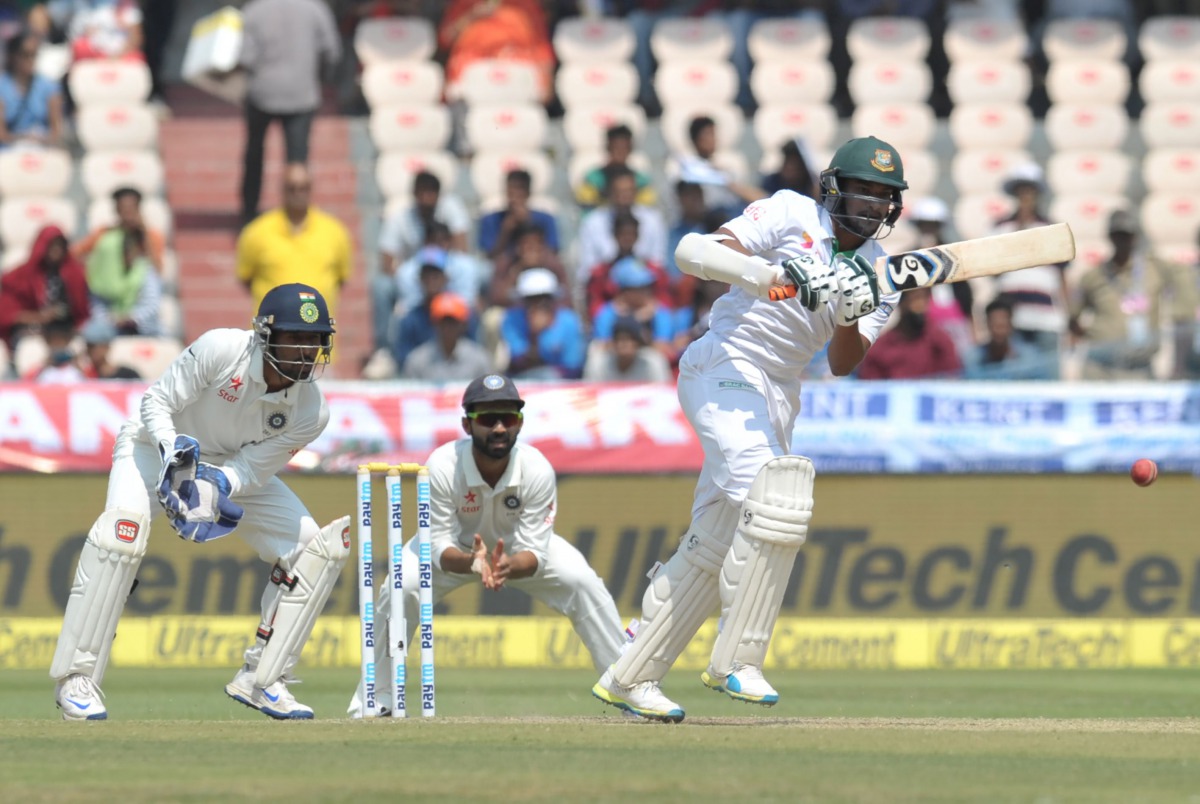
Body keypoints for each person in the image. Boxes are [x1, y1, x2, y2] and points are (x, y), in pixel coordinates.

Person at [592, 135, 906, 722]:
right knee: (775, 499)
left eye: (882, 195)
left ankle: (631, 673)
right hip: (726, 364)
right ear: (835, 189)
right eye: (862, 189)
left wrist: (849, 311)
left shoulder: (881, 275)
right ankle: (737, 659)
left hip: (781, 393)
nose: (871, 203)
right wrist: (774, 275)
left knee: (716, 538)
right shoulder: (791, 212)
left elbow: (843, 362)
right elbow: (692, 250)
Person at [51, 283, 347, 721]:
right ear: (265, 335)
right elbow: (156, 403)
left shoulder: (311, 411)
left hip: (228, 464)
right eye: (295, 337)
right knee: (120, 538)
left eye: (315, 340)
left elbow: (251, 469)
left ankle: (263, 678)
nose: (306, 351)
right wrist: (175, 454)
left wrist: (215, 482)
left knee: (311, 549)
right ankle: (77, 678)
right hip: (152, 447)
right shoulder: (221, 348)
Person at [348, 373, 624, 716]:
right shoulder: (442, 466)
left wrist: (508, 565)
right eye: (487, 418)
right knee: (400, 587)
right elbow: (436, 547)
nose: (499, 428)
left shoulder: (536, 468)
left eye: (508, 418)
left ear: (520, 422)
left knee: (582, 582)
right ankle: (377, 697)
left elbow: (537, 552)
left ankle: (627, 684)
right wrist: (473, 562)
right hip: (454, 553)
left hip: (518, 552)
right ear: (467, 424)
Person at [237, 0, 340, 225]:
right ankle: (296, 215)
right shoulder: (315, 8)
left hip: (262, 92)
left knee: (254, 153)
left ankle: (249, 211)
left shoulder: (254, 10)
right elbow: (331, 51)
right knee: (297, 160)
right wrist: (318, 78)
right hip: (301, 93)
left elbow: (245, 57)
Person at [1070, 209, 1198, 380]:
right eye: (1118, 235)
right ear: (1110, 237)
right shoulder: (1094, 276)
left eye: (1127, 236)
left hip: (1139, 366)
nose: (1122, 241)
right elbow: (1073, 315)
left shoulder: (1154, 269)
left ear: (1136, 237)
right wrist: (1095, 337)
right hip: (1100, 367)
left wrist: (1182, 312)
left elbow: (1184, 276)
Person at [237, 163, 352, 317]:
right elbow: (246, 277)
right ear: (282, 190)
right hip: (271, 327)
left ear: (311, 189)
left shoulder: (334, 231)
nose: (298, 193)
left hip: (319, 327)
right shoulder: (257, 232)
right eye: (292, 188)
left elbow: (341, 278)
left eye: (303, 188)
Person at [989, 163, 1067, 378]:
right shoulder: (1000, 227)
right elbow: (992, 271)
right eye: (1021, 190)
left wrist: (1067, 314)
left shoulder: (1051, 228)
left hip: (1046, 320)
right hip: (1013, 321)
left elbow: (1062, 275)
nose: (1026, 196)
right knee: (1015, 381)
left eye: (1030, 190)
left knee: (1048, 381)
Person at [438, 0, 555, 105]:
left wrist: (546, 84)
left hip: (516, 75)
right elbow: (445, 39)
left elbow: (542, 49)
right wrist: (472, 15)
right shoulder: (463, 3)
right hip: (471, 76)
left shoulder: (527, 5)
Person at [0, 224, 89, 353]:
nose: (56, 250)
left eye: (59, 246)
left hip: (68, 329)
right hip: (34, 330)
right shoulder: (23, 275)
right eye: (52, 246)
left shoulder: (74, 273)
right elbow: (8, 313)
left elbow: (83, 311)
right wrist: (40, 317)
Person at [574, 166, 667, 287]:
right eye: (619, 192)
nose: (624, 197)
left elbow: (658, 262)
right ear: (610, 192)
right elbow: (587, 268)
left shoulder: (653, 220)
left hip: (645, 286)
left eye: (628, 191)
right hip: (606, 287)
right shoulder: (592, 222)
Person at [671, 115, 764, 220]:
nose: (713, 139)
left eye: (714, 134)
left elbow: (755, 196)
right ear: (695, 139)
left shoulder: (725, 167)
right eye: (708, 134)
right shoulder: (688, 169)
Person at [857, 287, 962, 379]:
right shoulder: (881, 348)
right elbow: (870, 387)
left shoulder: (940, 341)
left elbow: (951, 380)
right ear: (900, 302)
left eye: (925, 297)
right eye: (915, 297)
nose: (920, 305)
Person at [501, 268, 585, 380]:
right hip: (522, 379)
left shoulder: (569, 321)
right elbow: (519, 361)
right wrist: (534, 335)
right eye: (531, 300)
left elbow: (573, 367)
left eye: (544, 299)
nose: (537, 305)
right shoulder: (512, 320)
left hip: (561, 382)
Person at [85, 226, 161, 336]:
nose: (130, 255)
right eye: (125, 251)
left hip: (143, 331)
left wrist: (130, 318)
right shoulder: (101, 276)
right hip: (110, 330)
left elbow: (151, 305)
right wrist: (111, 320)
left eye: (132, 250)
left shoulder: (145, 271)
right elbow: (97, 307)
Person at [401, 291, 492, 381]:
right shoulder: (418, 361)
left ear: (463, 325)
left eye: (452, 322)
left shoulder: (478, 360)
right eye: (442, 322)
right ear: (434, 324)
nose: (447, 327)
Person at [72, 186, 166, 269]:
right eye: (123, 208)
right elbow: (75, 253)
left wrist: (143, 233)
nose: (127, 215)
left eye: (131, 208)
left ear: (138, 209)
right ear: (116, 209)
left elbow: (157, 268)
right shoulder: (105, 233)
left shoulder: (151, 235)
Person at [964, 295, 1053, 380]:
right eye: (994, 326)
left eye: (1002, 326)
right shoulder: (974, 357)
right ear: (987, 325)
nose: (998, 331)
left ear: (1010, 325)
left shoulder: (1030, 357)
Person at [477, 168, 559, 258]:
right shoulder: (491, 220)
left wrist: (529, 225)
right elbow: (489, 256)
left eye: (519, 195)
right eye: (511, 194)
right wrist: (505, 231)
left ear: (528, 194)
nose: (514, 199)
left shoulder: (546, 220)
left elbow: (552, 253)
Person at [0, 30, 62, 149]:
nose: (30, 60)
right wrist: (23, 139)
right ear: (13, 56)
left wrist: (40, 140)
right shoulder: (2, 86)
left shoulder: (49, 86)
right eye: (25, 54)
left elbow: (57, 131)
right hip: (9, 150)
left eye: (34, 55)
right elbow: (1, 134)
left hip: (42, 149)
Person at [575, 123, 656, 210]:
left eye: (624, 148)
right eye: (616, 147)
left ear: (630, 149)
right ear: (608, 147)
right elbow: (586, 210)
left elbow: (646, 211)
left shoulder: (641, 181)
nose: (620, 152)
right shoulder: (593, 179)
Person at [583, 314, 672, 383]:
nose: (623, 344)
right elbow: (589, 394)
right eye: (619, 339)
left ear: (638, 343)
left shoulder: (653, 363)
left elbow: (663, 394)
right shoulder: (598, 364)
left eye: (630, 339)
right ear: (613, 342)